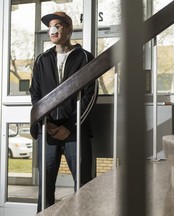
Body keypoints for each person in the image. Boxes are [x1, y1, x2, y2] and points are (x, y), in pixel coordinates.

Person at [29, 11, 98, 212]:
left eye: (58, 25)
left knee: (83, 183)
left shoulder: (85, 57)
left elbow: (90, 95)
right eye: (50, 26)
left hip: (75, 131)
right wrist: (46, 124)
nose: (53, 30)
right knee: (45, 186)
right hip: (47, 131)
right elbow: (35, 94)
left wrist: (70, 126)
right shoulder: (42, 59)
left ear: (69, 29)